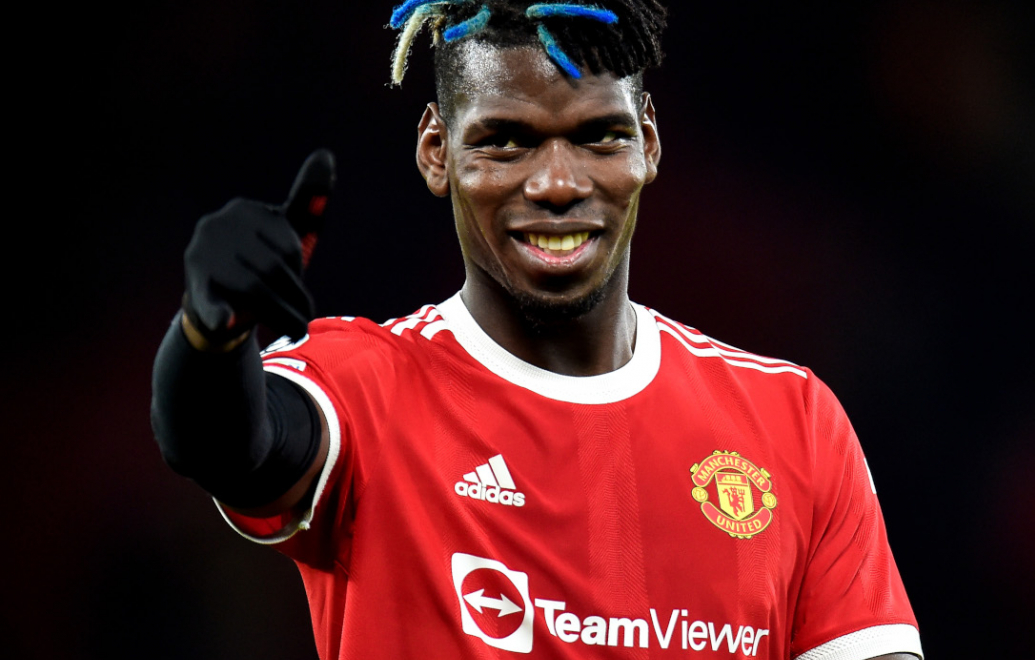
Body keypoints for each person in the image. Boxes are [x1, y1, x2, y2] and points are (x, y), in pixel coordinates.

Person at [150, 1, 923, 658]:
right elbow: (224, 443)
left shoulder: (793, 423)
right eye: (506, 141)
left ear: (648, 142)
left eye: (598, 136)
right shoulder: (363, 388)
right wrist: (210, 337)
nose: (557, 184)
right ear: (436, 152)